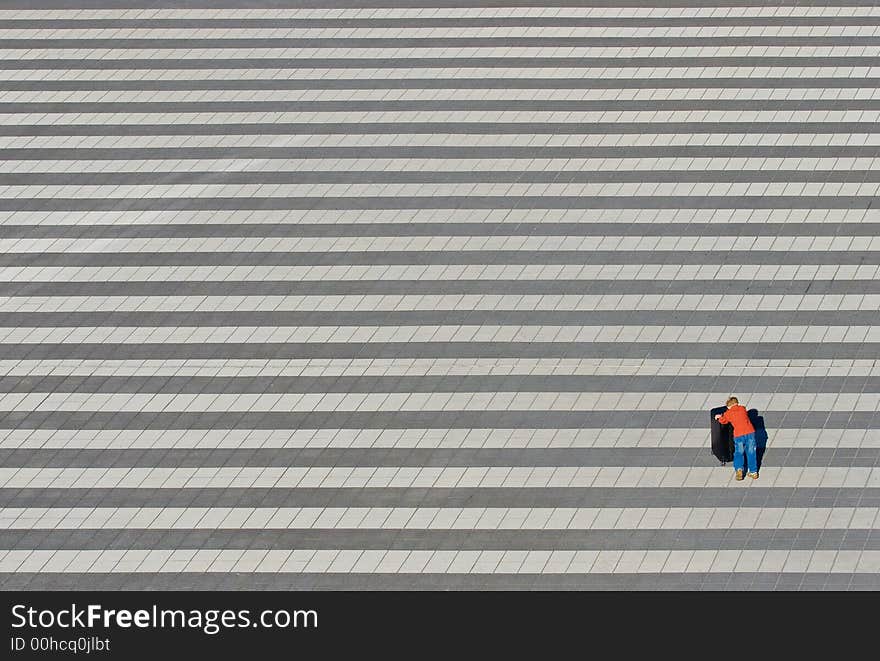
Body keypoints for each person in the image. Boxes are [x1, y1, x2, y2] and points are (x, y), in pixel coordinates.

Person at [714, 396, 758, 481]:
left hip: (739, 435)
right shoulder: (743, 409)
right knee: (751, 452)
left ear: (728, 406)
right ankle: (753, 472)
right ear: (737, 403)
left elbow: (724, 421)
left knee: (739, 453)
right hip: (750, 432)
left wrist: (719, 417)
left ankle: (739, 469)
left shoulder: (728, 413)